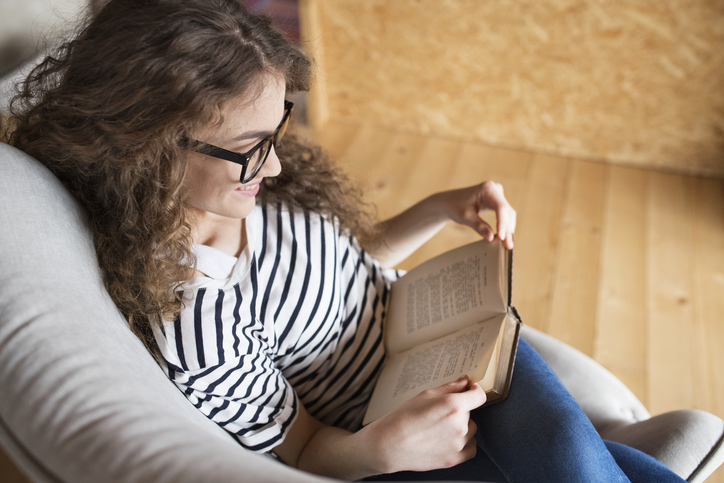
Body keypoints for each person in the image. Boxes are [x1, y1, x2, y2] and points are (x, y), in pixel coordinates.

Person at [6, 0, 686, 481]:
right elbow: (300, 446)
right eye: (250, 149)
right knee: (564, 447)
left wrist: (440, 207)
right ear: (147, 150)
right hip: (399, 430)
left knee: (564, 438)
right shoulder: (195, 317)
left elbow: (350, 263)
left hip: (441, 349)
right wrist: (382, 452)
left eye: (280, 131)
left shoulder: (246, 188)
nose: (273, 166)